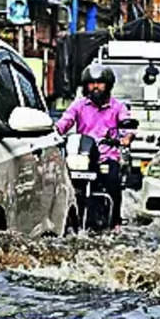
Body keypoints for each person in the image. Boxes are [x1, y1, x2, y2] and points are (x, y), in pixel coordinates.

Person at [55, 65, 134, 228]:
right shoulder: (79, 105)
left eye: (100, 83)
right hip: (82, 157)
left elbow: (128, 128)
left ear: (108, 85)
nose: (96, 87)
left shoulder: (118, 107)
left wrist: (126, 138)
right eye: (91, 83)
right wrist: (54, 132)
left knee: (113, 180)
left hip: (106, 157)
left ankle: (115, 221)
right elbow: (65, 121)